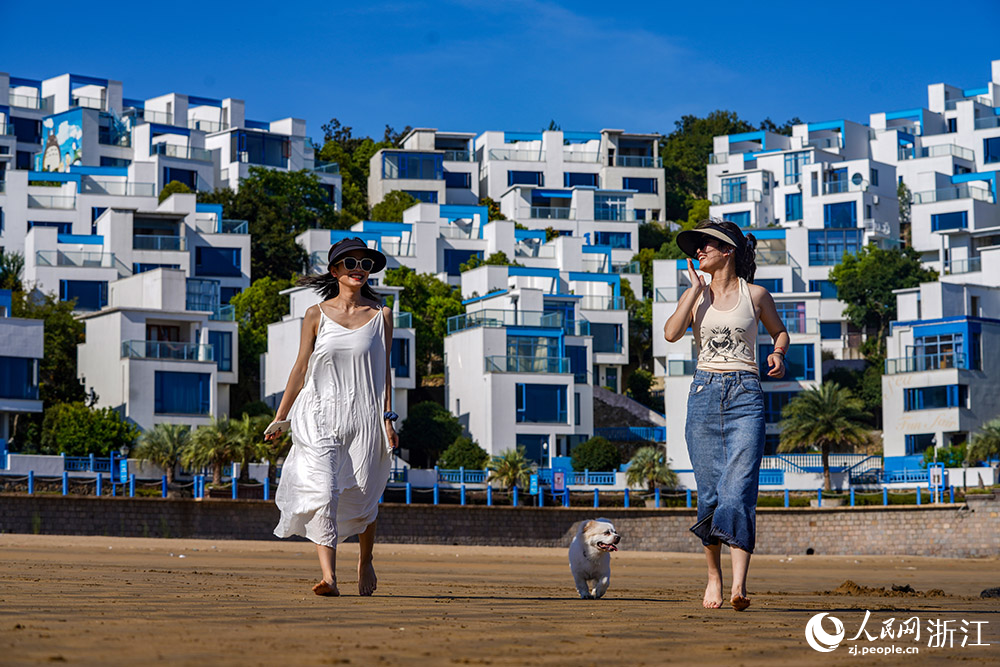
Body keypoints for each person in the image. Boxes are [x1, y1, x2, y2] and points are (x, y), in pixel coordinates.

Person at [663, 219, 789, 611]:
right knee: (712, 495)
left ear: (728, 251)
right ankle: (714, 577)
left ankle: (739, 586)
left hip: (745, 396)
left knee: (740, 490)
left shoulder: (756, 295)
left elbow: (780, 332)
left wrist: (778, 353)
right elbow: (670, 334)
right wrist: (692, 291)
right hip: (703, 395)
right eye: (697, 246)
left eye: (707, 245)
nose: (699, 251)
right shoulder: (697, 297)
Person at [268, 237, 399, 597]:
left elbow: (386, 371)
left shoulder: (381, 316)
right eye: (351, 263)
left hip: (365, 415)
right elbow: (300, 368)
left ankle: (365, 558)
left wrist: (388, 418)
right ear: (335, 271)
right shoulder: (316, 315)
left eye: (366, 264)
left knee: (365, 495)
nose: (359, 269)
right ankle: (329, 576)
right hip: (319, 413)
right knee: (324, 491)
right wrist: (281, 417)